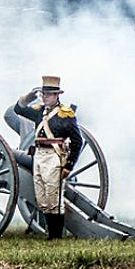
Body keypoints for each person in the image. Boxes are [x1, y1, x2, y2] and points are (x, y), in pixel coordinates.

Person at [14, 75, 82, 240]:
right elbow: (18, 109)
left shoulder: (66, 115)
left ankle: (55, 236)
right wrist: (31, 95)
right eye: (43, 94)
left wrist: (68, 166)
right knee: (42, 197)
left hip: (54, 156)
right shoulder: (38, 112)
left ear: (57, 95)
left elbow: (77, 141)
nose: (44, 97)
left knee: (54, 198)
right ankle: (50, 234)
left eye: (48, 94)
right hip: (38, 155)